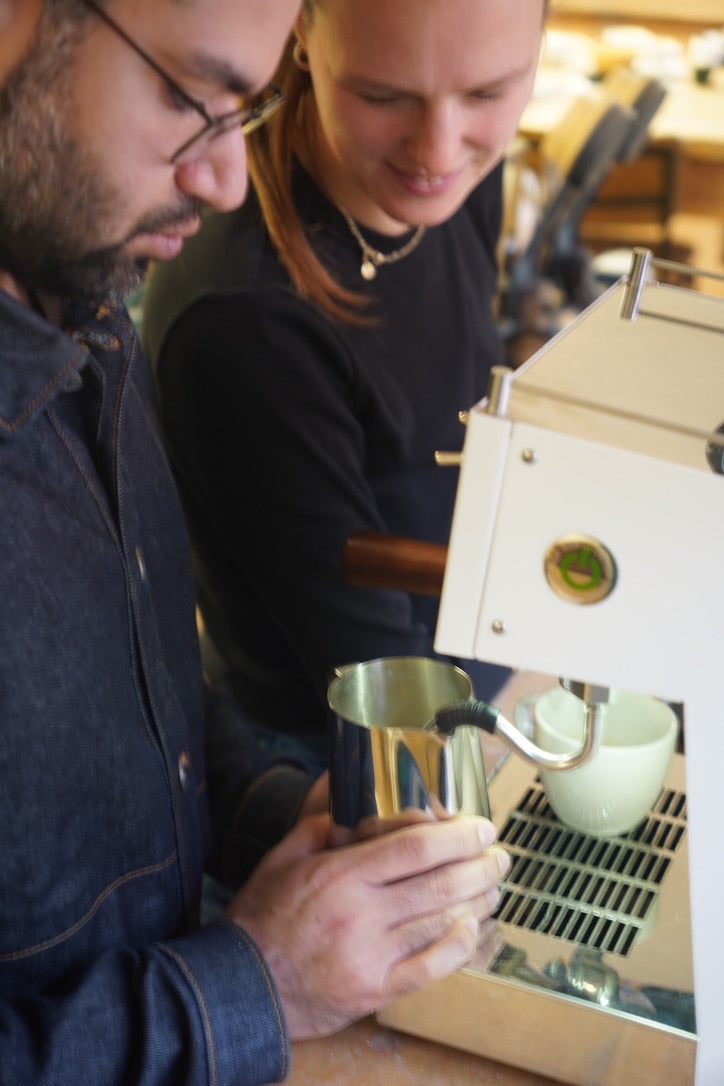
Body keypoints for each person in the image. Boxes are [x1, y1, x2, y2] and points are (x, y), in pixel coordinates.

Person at [0, 2, 511, 1084]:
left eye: (251, 106)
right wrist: (256, 984)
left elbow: (131, 717)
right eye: (194, 99)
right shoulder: (206, 302)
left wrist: (273, 813)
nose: (229, 180)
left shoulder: (83, 303)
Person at [142, 0, 547, 764]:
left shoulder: (457, 184)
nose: (438, 149)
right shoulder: (247, 323)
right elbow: (396, 698)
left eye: (488, 93)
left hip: (484, 647)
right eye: (383, 96)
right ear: (300, 28)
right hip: (344, 756)